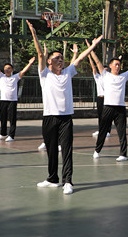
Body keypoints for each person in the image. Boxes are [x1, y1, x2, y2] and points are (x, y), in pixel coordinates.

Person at [27, 20, 101, 194]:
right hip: (49, 117)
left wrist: (93, 46)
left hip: (66, 118)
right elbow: (40, 54)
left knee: (67, 150)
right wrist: (34, 34)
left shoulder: (68, 72)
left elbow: (80, 58)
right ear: (49, 62)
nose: (60, 60)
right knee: (51, 150)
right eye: (56, 58)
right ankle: (52, 179)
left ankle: (68, 181)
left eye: (61, 58)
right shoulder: (44, 74)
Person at [92, 48, 128, 161]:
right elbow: (97, 61)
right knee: (103, 131)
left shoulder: (124, 76)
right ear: (110, 66)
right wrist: (91, 48)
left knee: (122, 132)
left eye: (119, 65)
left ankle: (123, 154)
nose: (117, 66)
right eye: (115, 64)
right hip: (108, 107)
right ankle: (97, 150)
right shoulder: (105, 75)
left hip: (120, 109)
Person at [0, 50, 35, 142]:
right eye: (5, 68)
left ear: (11, 70)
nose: (6, 69)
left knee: (12, 118)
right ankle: (3, 133)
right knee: (3, 118)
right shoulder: (1, 76)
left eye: (8, 68)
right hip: (3, 100)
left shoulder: (15, 77)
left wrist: (30, 63)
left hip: (12, 101)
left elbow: (23, 71)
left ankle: (11, 135)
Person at [88, 49, 110, 141]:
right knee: (100, 115)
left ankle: (107, 131)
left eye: (106, 70)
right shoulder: (98, 77)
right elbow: (94, 67)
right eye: (104, 70)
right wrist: (89, 57)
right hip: (100, 98)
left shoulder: (109, 78)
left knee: (107, 115)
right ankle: (101, 130)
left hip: (107, 98)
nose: (105, 71)